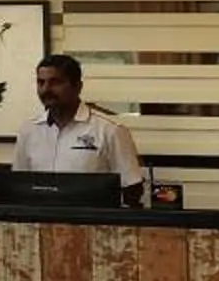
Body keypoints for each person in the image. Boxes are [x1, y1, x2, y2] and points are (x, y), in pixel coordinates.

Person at [13, 53, 144, 198]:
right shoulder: (29, 131)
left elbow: (132, 188)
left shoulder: (110, 130)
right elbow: (19, 186)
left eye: (55, 82)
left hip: (91, 212)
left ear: (77, 87)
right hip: (41, 212)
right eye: (41, 82)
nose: (46, 89)